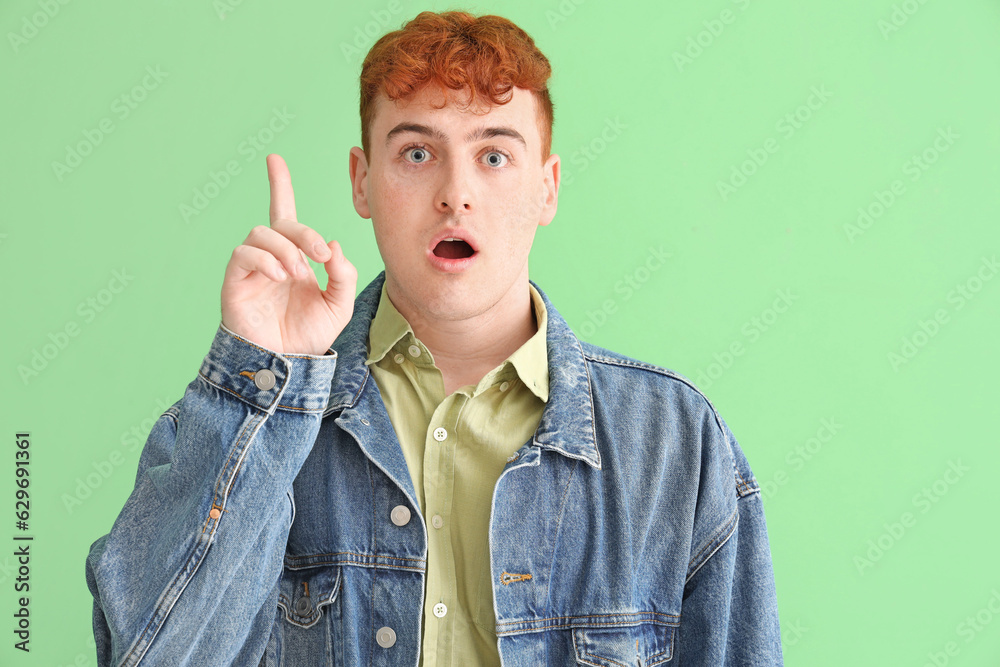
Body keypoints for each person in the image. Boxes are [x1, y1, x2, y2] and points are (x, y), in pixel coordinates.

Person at [85, 10, 782, 666]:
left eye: (495, 157)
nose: (456, 193)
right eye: (417, 152)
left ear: (548, 187)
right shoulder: (259, 416)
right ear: (363, 182)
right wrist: (262, 377)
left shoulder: (675, 441)